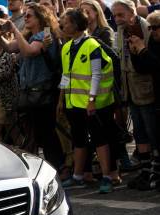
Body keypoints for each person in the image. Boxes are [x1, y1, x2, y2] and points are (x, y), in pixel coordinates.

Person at [58, 9, 117, 193]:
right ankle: (78, 175)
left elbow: (96, 75)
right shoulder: (66, 47)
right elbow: (66, 75)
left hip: (94, 103)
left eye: (66, 22)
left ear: (76, 25)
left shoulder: (92, 45)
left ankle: (107, 176)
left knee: (100, 138)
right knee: (78, 139)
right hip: (73, 102)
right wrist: (61, 99)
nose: (62, 25)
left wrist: (91, 100)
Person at [1, 4, 65, 170]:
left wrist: (14, 29)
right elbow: (9, 48)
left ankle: (59, 167)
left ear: (40, 18)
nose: (26, 18)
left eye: (29, 16)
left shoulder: (45, 35)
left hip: (42, 91)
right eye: (26, 15)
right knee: (38, 133)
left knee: (47, 133)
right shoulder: (30, 35)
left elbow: (30, 51)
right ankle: (50, 166)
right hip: (31, 92)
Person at [112, 0, 158, 189]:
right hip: (129, 87)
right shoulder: (122, 30)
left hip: (146, 87)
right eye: (114, 15)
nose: (117, 19)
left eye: (120, 15)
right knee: (139, 131)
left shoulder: (148, 27)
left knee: (152, 131)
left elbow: (151, 60)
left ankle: (154, 172)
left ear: (131, 12)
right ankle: (146, 171)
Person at [129, 10, 160, 189]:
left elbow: (157, 65)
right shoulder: (154, 44)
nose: (153, 31)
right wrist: (135, 52)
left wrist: (143, 50)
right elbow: (143, 68)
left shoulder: (153, 47)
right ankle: (151, 170)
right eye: (151, 28)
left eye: (156, 28)